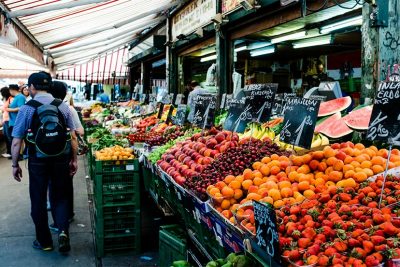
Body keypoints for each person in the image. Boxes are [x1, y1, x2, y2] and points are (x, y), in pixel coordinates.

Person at [11, 72, 78, 253]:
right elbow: (72, 137)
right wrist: (74, 159)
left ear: (32, 87)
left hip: (37, 161)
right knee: (61, 196)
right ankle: (63, 231)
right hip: (60, 159)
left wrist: (15, 164)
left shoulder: (27, 108)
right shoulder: (62, 106)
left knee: (38, 198)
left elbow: (17, 140)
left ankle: (45, 241)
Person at [48, 81, 83, 233]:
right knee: (66, 184)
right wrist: (74, 159)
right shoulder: (68, 109)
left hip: (45, 154)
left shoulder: (38, 108)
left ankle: (57, 222)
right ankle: (68, 215)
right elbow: (78, 133)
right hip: (65, 153)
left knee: (52, 187)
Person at [7, 84, 26, 161]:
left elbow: (21, 108)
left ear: (11, 90)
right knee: (14, 140)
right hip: (13, 122)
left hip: (16, 122)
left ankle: (19, 155)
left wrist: (9, 109)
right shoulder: (16, 97)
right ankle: (16, 155)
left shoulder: (20, 97)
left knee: (16, 141)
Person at [1, 87, 13, 158]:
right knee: (6, 136)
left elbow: (7, 109)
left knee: (9, 137)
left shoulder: (11, 99)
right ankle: (9, 152)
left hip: (9, 120)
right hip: (5, 120)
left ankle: (12, 153)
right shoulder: (6, 99)